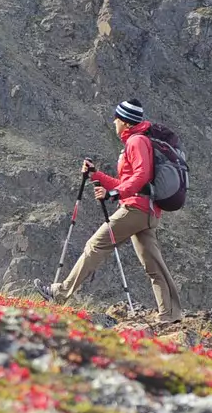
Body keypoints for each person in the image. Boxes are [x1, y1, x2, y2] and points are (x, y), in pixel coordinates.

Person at [43, 100, 185, 321]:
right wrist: (97, 175)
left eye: (117, 119)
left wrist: (114, 194)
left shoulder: (136, 141)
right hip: (146, 211)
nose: (114, 122)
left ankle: (60, 293)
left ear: (126, 122)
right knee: (154, 265)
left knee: (96, 245)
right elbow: (128, 182)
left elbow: (141, 176)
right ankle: (171, 314)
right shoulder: (139, 140)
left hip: (135, 208)